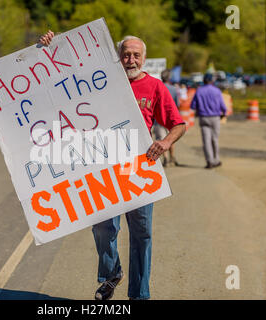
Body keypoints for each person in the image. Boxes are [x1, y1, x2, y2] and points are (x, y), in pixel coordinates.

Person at [39, 31, 186, 300]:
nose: (131, 60)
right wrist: (55, 43)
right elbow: (68, 72)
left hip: (140, 170)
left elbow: (179, 124)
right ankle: (111, 274)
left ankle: (139, 294)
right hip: (103, 168)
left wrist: (165, 143)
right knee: (103, 228)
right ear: (117, 57)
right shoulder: (100, 83)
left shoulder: (155, 87)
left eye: (136, 55)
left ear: (144, 59)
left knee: (142, 234)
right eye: (126, 54)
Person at [190, 73, 227, 169]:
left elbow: (193, 106)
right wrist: (224, 113)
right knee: (214, 139)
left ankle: (209, 161)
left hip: (203, 117)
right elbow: (223, 106)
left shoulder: (199, 91)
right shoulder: (217, 91)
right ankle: (216, 159)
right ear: (212, 81)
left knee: (206, 141)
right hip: (215, 117)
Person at [152, 69, 180, 167]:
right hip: (170, 119)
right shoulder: (173, 89)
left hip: (158, 120)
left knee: (161, 139)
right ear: (169, 77)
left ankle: (166, 158)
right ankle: (172, 157)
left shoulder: (155, 87)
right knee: (171, 138)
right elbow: (177, 104)